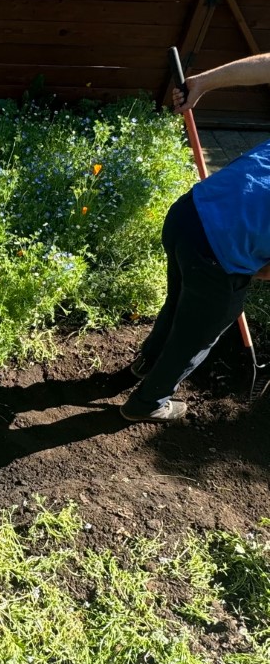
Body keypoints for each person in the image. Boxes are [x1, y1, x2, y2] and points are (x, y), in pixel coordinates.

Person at [121, 52, 270, 422]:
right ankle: (147, 402)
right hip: (219, 250)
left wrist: (201, 81)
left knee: (181, 300)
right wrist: (243, 279)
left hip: (189, 214)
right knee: (199, 331)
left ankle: (146, 362)